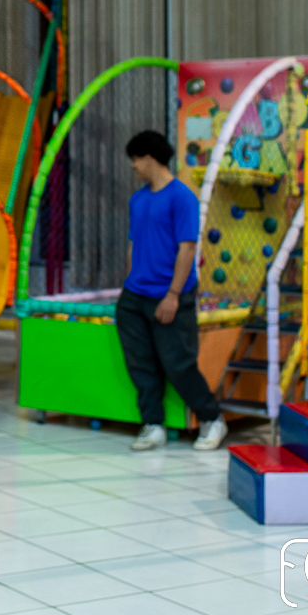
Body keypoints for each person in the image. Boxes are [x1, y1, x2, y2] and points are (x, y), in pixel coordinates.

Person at [118, 130, 226, 452]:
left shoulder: (182, 198)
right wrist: (129, 287)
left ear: (149, 158)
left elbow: (187, 249)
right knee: (140, 363)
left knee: (178, 363)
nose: (133, 166)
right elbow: (133, 246)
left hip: (169, 295)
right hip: (134, 297)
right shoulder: (138, 200)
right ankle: (153, 424)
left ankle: (212, 418)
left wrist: (173, 295)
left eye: (135, 160)